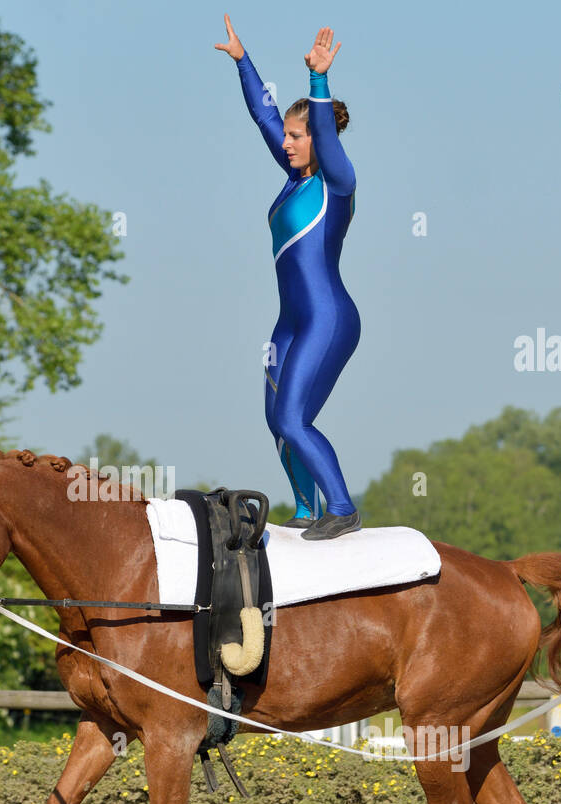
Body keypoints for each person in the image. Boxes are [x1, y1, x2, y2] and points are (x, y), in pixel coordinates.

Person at [217, 17, 362, 540]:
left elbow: (321, 131)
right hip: (289, 324)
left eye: (298, 136)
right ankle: (305, 510)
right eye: (289, 136)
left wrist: (318, 81)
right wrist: (241, 58)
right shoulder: (291, 179)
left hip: (329, 318)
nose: (288, 142)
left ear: (318, 138)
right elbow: (264, 115)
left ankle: (342, 507)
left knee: (296, 417)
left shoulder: (337, 182)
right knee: (277, 420)